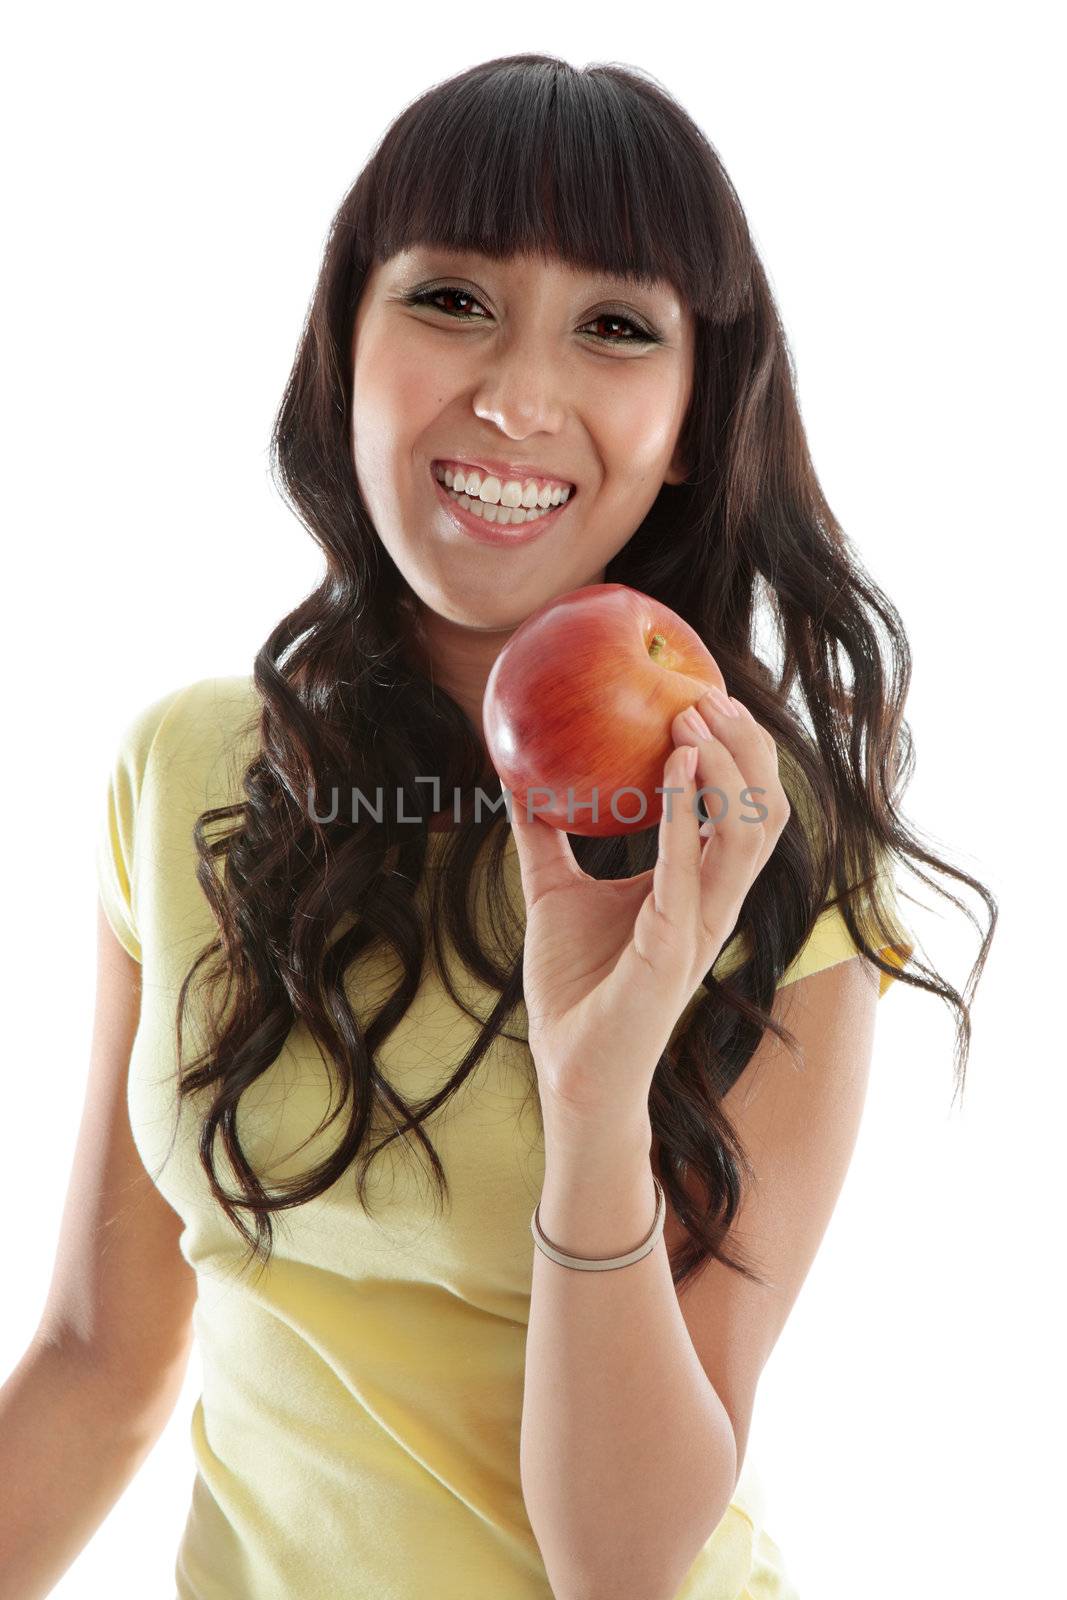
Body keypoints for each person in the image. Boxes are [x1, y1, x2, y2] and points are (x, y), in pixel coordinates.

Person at [2, 53, 995, 1600]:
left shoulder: (762, 848)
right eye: (452, 298)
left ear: (689, 416)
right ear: (346, 340)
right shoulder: (193, 770)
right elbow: (95, 1359)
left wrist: (594, 1104)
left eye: (614, 326)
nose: (517, 397)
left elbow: (620, 1564)